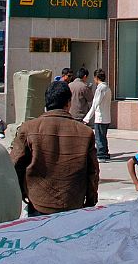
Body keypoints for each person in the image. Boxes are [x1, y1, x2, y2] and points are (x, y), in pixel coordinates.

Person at [9, 79, 99, 216]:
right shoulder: (85, 132)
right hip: (73, 204)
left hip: (38, 202)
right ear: (68, 103)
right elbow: (93, 172)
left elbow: (14, 166)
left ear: (46, 103)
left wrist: (22, 193)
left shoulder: (28, 129)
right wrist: (91, 200)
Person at [83, 69, 113, 161]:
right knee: (103, 136)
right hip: (106, 117)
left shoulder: (100, 89)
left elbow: (95, 104)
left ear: (96, 78)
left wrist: (87, 118)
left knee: (99, 137)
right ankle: (105, 153)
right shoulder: (107, 88)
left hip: (100, 117)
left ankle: (101, 154)